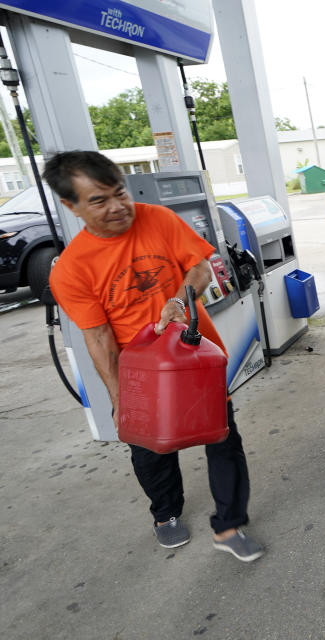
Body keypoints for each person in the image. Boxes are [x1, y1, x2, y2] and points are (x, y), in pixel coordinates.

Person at [44, 151, 264, 562]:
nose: (118, 208)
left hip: (196, 360)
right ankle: (166, 515)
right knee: (150, 450)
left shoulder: (157, 219)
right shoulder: (71, 269)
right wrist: (119, 400)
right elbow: (99, 338)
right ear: (70, 206)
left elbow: (199, 267)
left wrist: (181, 300)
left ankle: (230, 524)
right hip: (141, 374)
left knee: (222, 438)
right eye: (99, 201)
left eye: (120, 194)